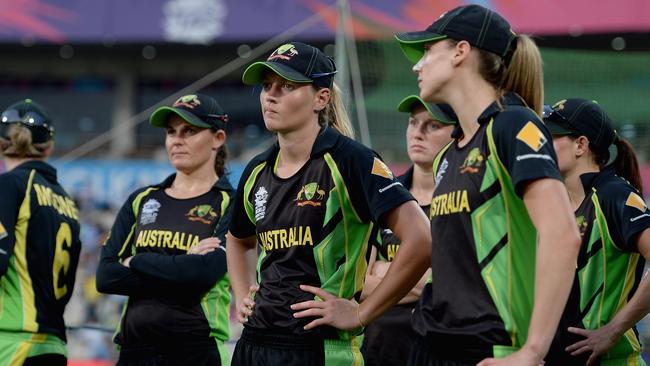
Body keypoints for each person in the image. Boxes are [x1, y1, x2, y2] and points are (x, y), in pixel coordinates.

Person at [227, 42, 432, 365]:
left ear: (321, 98)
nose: (271, 95)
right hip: (254, 344)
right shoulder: (256, 170)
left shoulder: (352, 160)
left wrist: (362, 313)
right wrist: (242, 294)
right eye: (268, 86)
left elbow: (421, 238)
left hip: (322, 349)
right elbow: (238, 239)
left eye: (288, 86)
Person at [96, 93, 233, 366]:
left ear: (218, 138)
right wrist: (182, 265)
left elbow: (203, 274)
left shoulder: (232, 203)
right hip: (135, 350)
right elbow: (106, 277)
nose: (177, 140)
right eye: (171, 132)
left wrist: (136, 260)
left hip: (196, 348)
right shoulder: (142, 199)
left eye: (190, 131)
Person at [543, 99, 650, 366]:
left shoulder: (614, 196)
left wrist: (613, 330)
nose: (541, 144)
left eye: (552, 136)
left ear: (581, 144)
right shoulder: (553, 203)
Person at [360, 96, 456, 365]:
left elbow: (456, 284)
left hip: (438, 347)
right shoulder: (385, 196)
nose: (417, 133)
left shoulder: (463, 197)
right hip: (381, 348)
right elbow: (360, 283)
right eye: (413, 123)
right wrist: (426, 274)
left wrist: (386, 269)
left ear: (457, 133)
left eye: (433, 125)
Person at [0, 99, 81, 366]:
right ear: (49, 147)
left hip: (11, 345)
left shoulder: (9, 185)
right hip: (53, 346)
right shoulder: (67, 201)